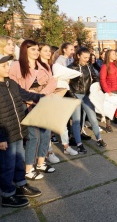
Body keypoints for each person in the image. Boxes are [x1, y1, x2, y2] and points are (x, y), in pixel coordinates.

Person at [9, 40, 57, 180]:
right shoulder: (17, 65)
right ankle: (29, 168)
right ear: (25, 50)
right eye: (33, 50)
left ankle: (41, 162)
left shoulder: (43, 65)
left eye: (37, 49)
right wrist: (30, 97)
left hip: (43, 101)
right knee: (33, 136)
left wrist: (42, 95)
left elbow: (52, 82)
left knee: (46, 133)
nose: (37, 52)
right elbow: (14, 87)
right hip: (26, 104)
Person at [0, 55, 43, 208]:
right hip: (5, 135)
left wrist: (42, 97)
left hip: (17, 130)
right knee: (7, 165)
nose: (8, 68)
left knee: (19, 160)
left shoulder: (10, 83)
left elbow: (25, 94)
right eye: (4, 66)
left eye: (9, 65)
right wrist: (1, 137)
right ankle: (7, 195)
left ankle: (21, 185)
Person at [38, 43, 78, 162]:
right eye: (45, 50)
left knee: (62, 122)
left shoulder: (50, 65)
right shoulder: (38, 66)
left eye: (49, 50)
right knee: (47, 127)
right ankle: (48, 151)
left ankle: (66, 146)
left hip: (56, 95)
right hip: (44, 98)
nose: (48, 52)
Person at [68, 47, 107, 153]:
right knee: (76, 121)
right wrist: (73, 96)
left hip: (87, 95)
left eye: (88, 57)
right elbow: (67, 84)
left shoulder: (89, 66)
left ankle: (99, 139)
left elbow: (95, 77)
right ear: (78, 56)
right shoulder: (71, 67)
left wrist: (96, 85)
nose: (87, 59)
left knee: (93, 118)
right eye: (85, 57)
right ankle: (79, 144)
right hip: (75, 95)